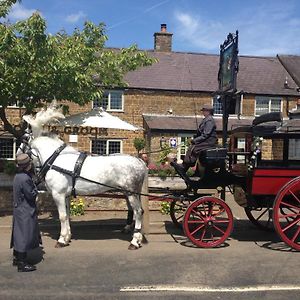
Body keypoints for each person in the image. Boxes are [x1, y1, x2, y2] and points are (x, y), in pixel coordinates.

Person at [10, 153, 40, 272]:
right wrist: (35, 187)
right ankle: (22, 264)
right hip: (25, 210)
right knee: (24, 235)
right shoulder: (25, 178)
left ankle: (17, 258)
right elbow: (31, 195)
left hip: (19, 208)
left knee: (18, 234)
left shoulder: (18, 176)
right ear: (28, 165)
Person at [175, 104, 217, 173]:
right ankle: (190, 167)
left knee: (193, 148)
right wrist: (195, 138)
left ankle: (185, 166)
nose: (203, 112)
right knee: (192, 147)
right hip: (206, 141)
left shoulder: (209, 120)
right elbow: (201, 133)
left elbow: (206, 135)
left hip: (209, 142)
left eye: (204, 111)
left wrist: (194, 140)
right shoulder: (206, 120)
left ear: (208, 111)